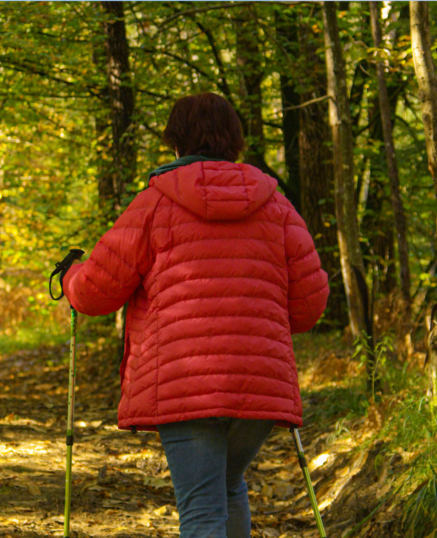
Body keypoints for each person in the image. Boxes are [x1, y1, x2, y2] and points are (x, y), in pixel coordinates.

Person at [62, 92, 329, 538]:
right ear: (236, 141)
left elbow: (94, 293)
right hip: (260, 380)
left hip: (185, 382)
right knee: (227, 486)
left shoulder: (154, 204)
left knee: (203, 508)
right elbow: (309, 307)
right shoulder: (277, 206)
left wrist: (70, 275)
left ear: (176, 141)